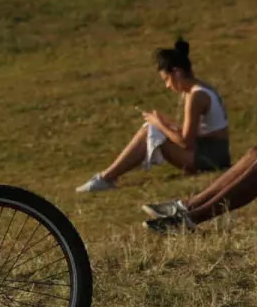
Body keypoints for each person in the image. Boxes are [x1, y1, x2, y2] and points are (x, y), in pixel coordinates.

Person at [75, 39, 232, 193]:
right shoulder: (202, 88)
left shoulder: (196, 96)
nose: (167, 85)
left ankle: (106, 178)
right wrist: (165, 123)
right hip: (215, 153)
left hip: (210, 158)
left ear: (177, 73)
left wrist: (159, 124)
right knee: (152, 128)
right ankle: (106, 177)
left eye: (166, 80)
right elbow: (194, 132)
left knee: (150, 129)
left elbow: (186, 142)